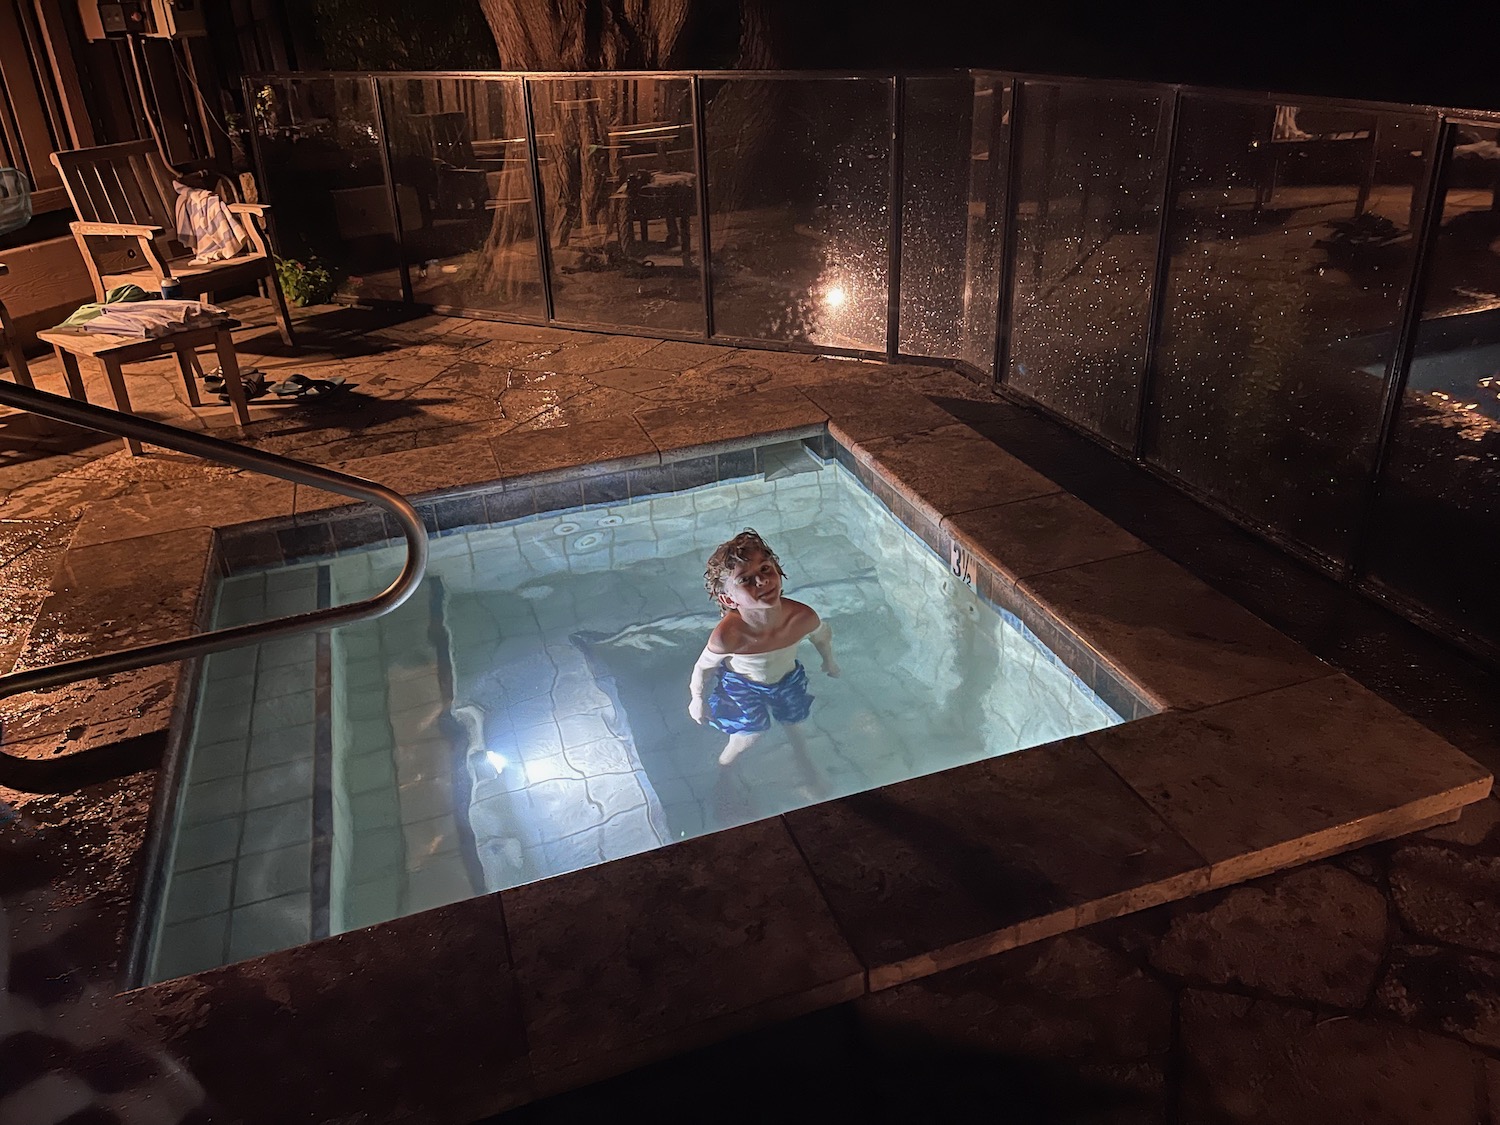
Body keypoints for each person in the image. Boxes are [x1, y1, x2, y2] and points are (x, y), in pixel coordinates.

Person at [688, 529, 839, 766]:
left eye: (765, 568)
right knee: (748, 738)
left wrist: (829, 660)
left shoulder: (801, 617)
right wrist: (697, 699)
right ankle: (725, 767)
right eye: (745, 580)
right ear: (729, 599)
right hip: (742, 686)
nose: (761, 580)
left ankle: (804, 759)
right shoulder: (728, 637)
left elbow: (822, 635)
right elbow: (703, 668)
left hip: (787, 679)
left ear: (777, 570)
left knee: (795, 724)